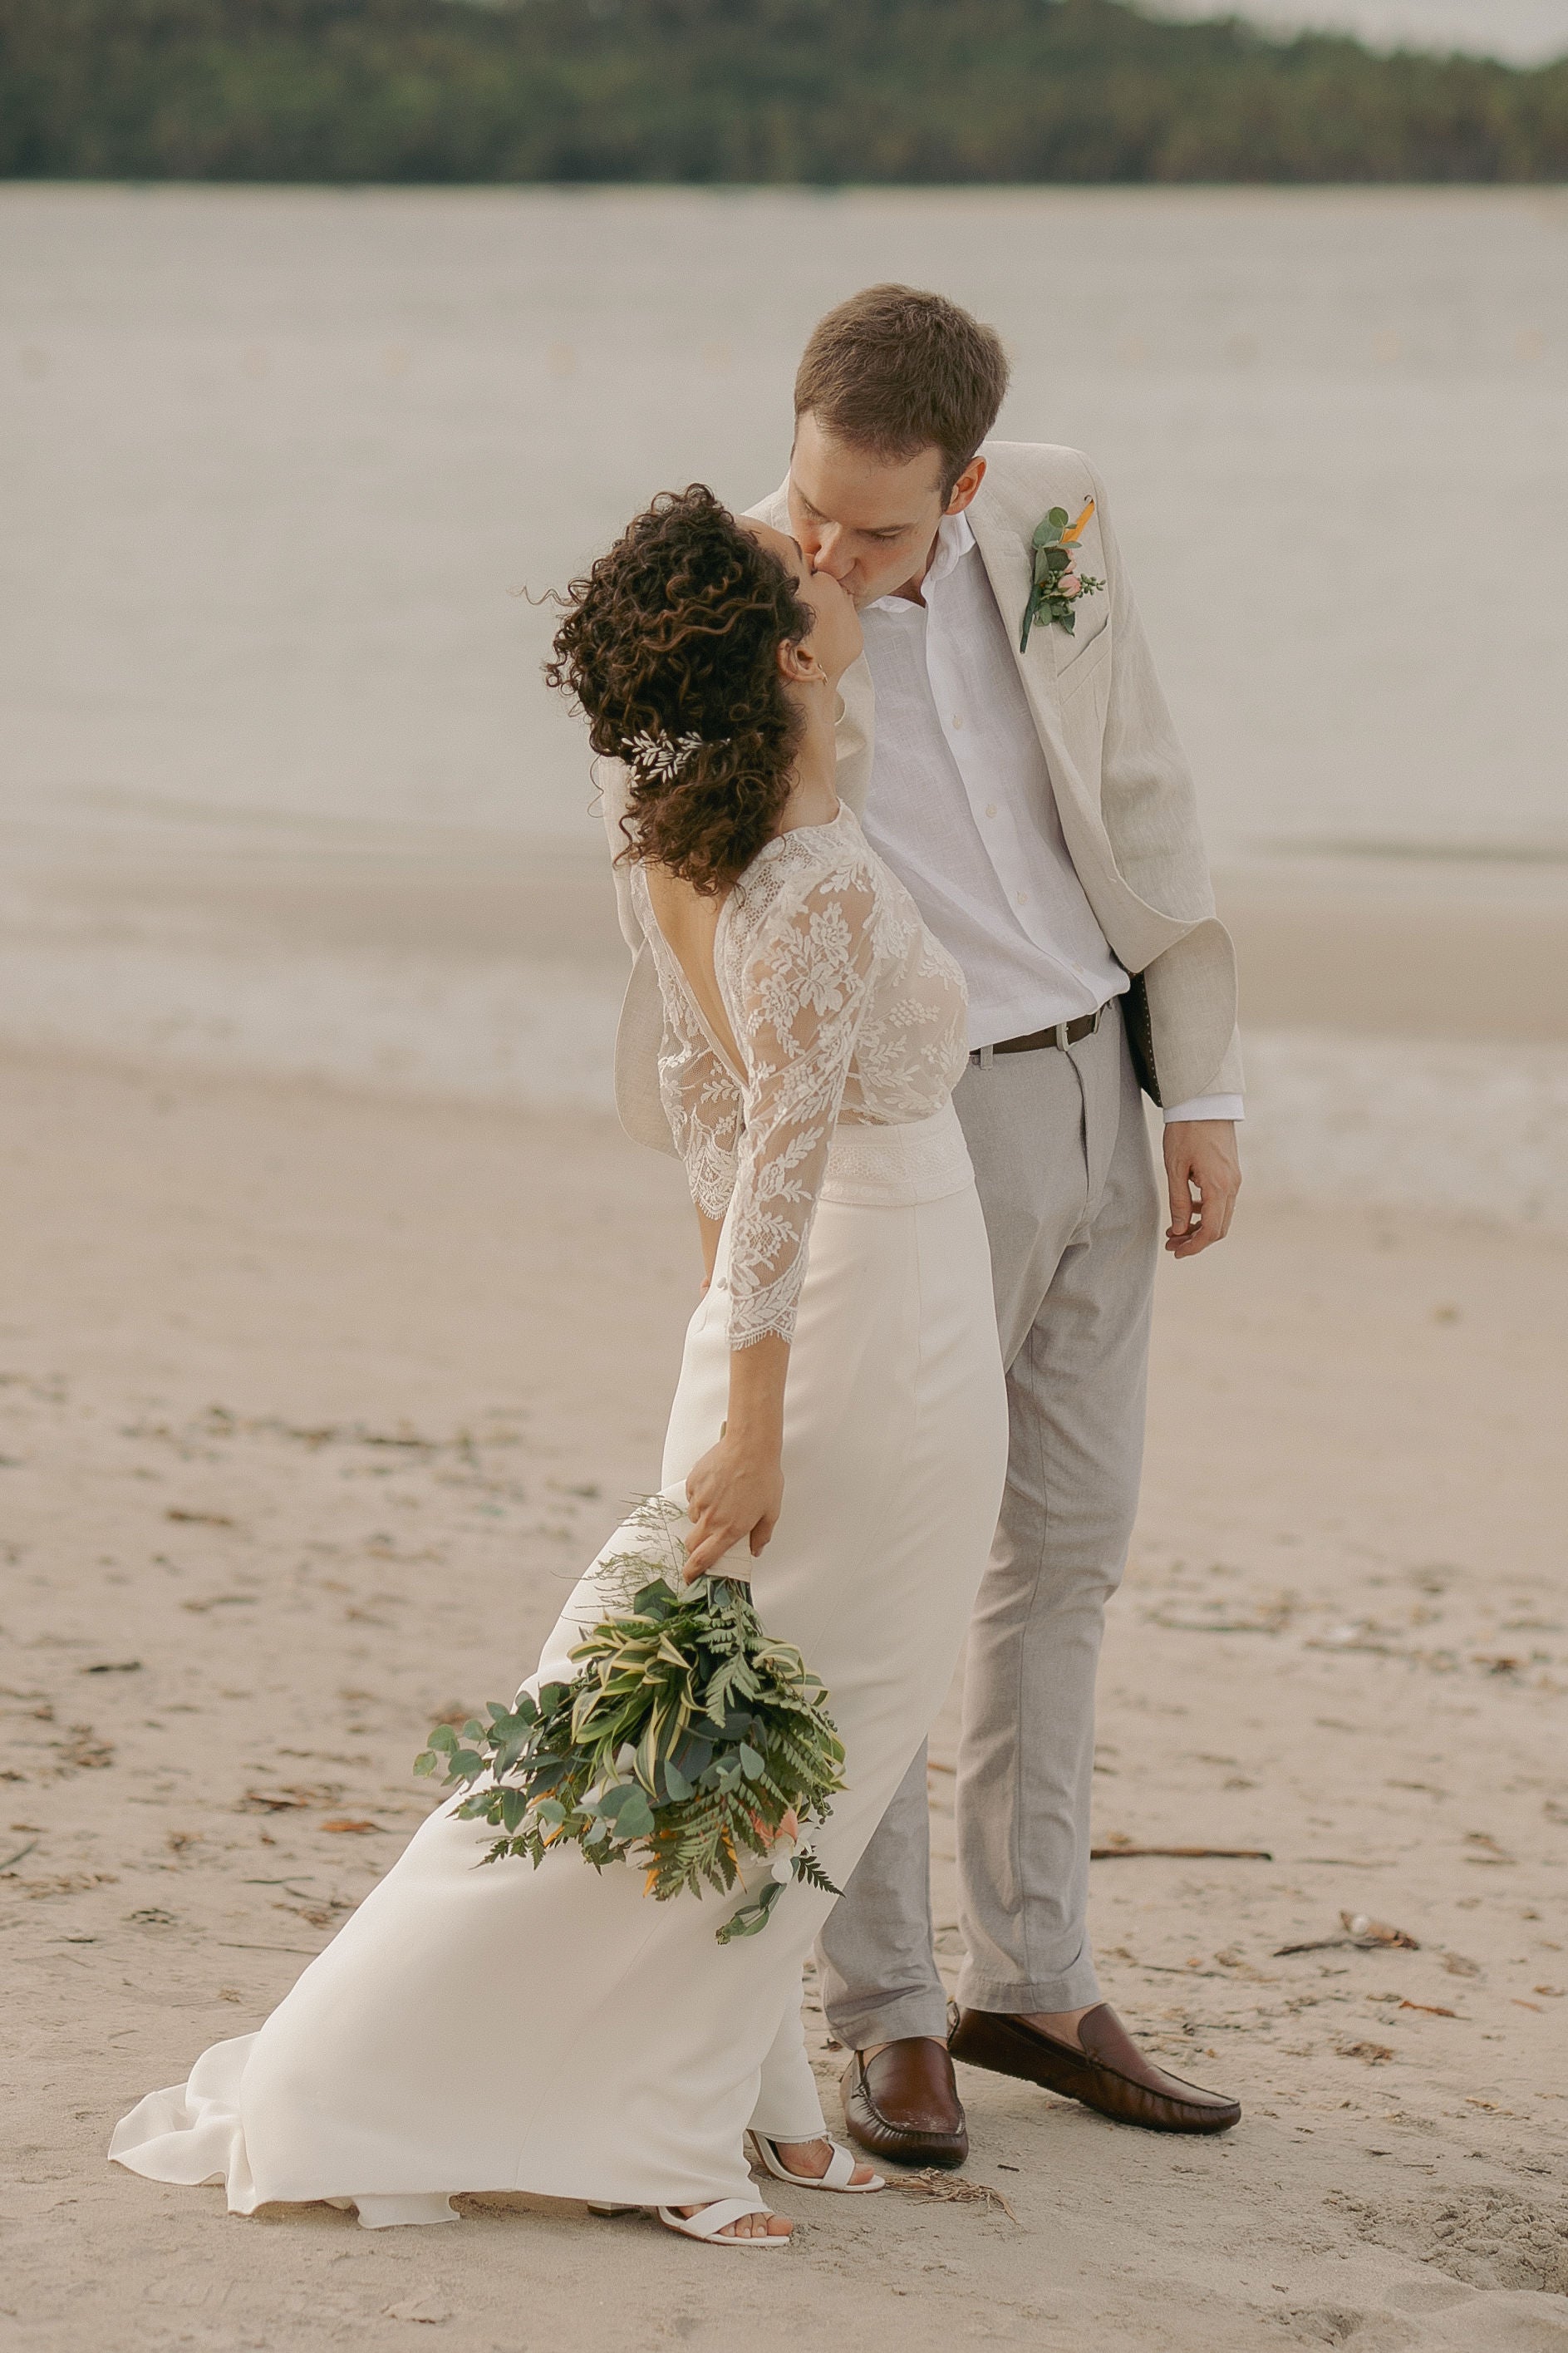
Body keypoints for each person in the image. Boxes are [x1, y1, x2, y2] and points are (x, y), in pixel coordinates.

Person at [109, 487, 1009, 2246]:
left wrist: (720, 1342)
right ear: (773, 657)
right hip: (868, 1330)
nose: (821, 564)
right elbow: (775, 1152)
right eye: (794, 577)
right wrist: (752, 1421)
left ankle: (736, 2093)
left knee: (761, 1733)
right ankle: (641, 2131)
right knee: (788, 1735)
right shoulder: (803, 878)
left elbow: (700, 1102)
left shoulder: (686, 841)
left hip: (821, 1314)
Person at [605, 288, 1246, 2167]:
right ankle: (885, 2005)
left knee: (1065, 1555)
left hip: (1094, 1081)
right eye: (813, 503)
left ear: (965, 484)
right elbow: (677, 944)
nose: (830, 550)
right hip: (902, 1124)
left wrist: (1191, 1091)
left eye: (877, 528)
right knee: (884, 1563)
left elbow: (1139, 788)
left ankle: (1033, 1975)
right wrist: (735, 1267)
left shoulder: (1055, 516)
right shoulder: (738, 597)